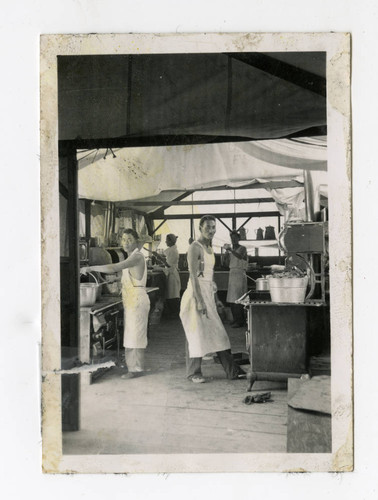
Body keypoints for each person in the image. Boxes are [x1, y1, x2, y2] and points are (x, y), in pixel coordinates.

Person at [179, 215, 246, 383]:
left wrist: (215, 298)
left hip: (208, 293)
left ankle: (232, 371)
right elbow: (193, 277)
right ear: (200, 228)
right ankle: (193, 372)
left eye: (213, 227)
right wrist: (200, 300)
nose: (211, 230)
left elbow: (210, 277)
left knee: (219, 334)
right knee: (195, 334)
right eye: (208, 227)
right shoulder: (195, 247)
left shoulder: (209, 247)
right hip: (195, 295)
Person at [81, 229, 150, 379]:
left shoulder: (136, 257)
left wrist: (90, 268)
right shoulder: (132, 256)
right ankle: (134, 366)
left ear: (136, 241)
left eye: (129, 239)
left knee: (135, 335)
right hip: (133, 299)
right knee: (133, 333)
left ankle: (135, 370)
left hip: (136, 300)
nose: (125, 242)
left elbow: (115, 267)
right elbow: (128, 275)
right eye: (124, 239)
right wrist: (115, 281)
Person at [222, 230, 248, 327]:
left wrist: (230, 250)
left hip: (239, 274)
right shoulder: (231, 250)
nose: (233, 240)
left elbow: (240, 256)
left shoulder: (242, 248)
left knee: (238, 298)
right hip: (232, 274)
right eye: (231, 238)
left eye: (235, 238)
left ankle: (240, 321)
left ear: (239, 239)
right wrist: (225, 256)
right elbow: (226, 264)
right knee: (232, 298)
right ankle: (235, 319)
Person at [163, 234, 181, 317]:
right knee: (172, 294)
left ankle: (175, 313)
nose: (166, 241)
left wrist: (160, 259)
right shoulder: (172, 250)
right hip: (172, 273)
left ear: (170, 241)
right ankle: (174, 313)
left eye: (167, 240)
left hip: (172, 274)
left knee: (173, 294)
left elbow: (168, 265)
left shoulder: (173, 251)